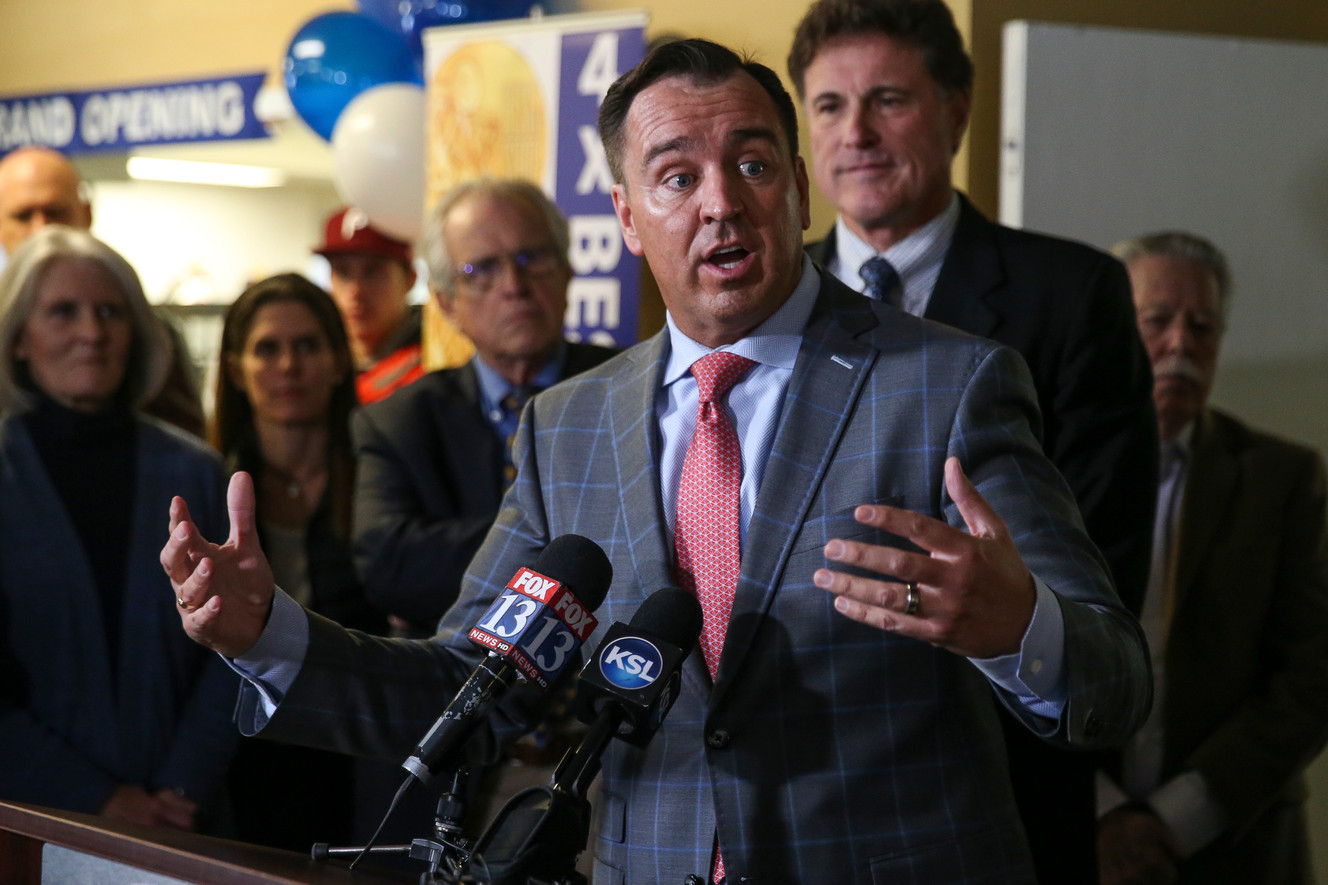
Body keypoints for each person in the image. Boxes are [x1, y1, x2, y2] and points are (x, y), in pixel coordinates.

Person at [163, 39, 1150, 883]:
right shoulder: (568, 425)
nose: (721, 202)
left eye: (752, 164)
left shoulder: (947, 384)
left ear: (799, 188)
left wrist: (1019, 626)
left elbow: (1116, 680)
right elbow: (473, 689)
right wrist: (270, 635)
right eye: (677, 177)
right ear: (628, 217)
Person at [787, 1, 1159, 878]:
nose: (857, 133)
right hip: (796, 789)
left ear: (957, 110)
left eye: (888, 100)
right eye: (830, 106)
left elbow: (1100, 566)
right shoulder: (763, 303)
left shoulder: (1073, 294)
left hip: (997, 791)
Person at [1095, 232, 1328, 885]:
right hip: (1072, 840)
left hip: (1237, 843)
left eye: (1201, 326)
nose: (1181, 344)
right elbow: (1004, 656)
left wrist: (1178, 816)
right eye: (1157, 320)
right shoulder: (1046, 467)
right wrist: (1103, 815)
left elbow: (1314, 670)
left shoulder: (1283, 478)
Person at [0, 225, 236, 830]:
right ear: (18, 337)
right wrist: (94, 797)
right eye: (63, 312)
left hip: (185, 819)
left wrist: (181, 788)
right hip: (32, 822)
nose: (93, 332)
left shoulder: (195, 471)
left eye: (110, 312)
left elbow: (235, 645)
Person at [352, 178, 617, 638]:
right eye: (482, 270)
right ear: (446, 303)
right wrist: (568, 542)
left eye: (532, 258)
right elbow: (389, 568)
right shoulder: (397, 420)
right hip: (455, 669)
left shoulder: (632, 386)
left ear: (568, 270)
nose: (514, 286)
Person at [209, 272, 388, 850]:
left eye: (308, 345)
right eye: (267, 349)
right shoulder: (204, 485)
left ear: (338, 362)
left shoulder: (383, 477)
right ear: (235, 370)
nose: (289, 366)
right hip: (239, 763)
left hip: (364, 753)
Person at [0, 145, 207, 437]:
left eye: (55, 213)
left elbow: (184, 444)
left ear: (86, 214)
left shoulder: (149, 334)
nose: (41, 230)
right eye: (23, 216)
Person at [316, 206, 426, 404]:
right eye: (343, 273)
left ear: (410, 279)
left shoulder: (440, 361)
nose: (356, 291)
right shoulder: (318, 366)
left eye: (373, 271)